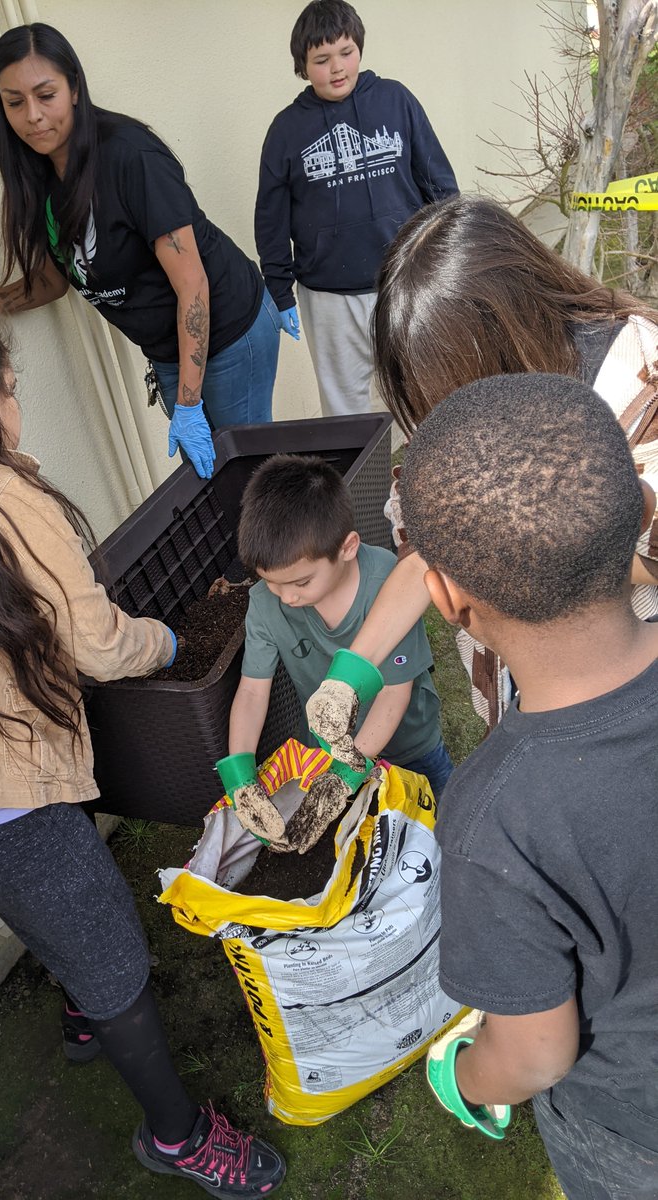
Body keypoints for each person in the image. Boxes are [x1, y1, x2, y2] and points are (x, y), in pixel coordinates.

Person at [0, 305, 286, 1198]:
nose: (17, 404)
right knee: (112, 951)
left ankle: (77, 1003)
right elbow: (101, 645)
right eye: (12, 387)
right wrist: (174, 644)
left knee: (29, 894)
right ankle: (177, 1137)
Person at [399, 372, 658, 1200]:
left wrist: (467, 1080)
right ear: (642, 519)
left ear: (446, 598)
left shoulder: (492, 825)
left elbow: (538, 1054)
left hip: (633, 1138)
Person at [307, 193, 658, 746]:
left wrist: (514, 553)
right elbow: (429, 547)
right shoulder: (468, 397)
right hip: (529, 689)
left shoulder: (638, 378)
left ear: (496, 342)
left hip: (620, 693)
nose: (437, 416)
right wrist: (349, 674)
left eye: (442, 389)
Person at [0, 22, 282, 480]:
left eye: (45, 95)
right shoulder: (38, 175)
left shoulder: (130, 156)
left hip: (231, 329)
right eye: (14, 102)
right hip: (170, 348)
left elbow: (192, 283)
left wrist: (189, 406)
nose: (32, 115)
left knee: (250, 479)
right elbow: (55, 280)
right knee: (210, 478)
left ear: (73, 88)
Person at [227, 453, 451, 845]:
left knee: (444, 830)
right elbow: (250, 691)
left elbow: (395, 694)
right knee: (365, 848)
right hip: (326, 757)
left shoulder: (389, 587)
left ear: (347, 547)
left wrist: (348, 774)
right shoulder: (266, 602)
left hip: (410, 747)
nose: (286, 597)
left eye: (301, 582)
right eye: (272, 583)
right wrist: (241, 775)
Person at [254, 0, 457, 417]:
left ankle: (432, 478)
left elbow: (439, 183)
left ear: (359, 48)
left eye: (346, 52)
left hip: (407, 280)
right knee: (346, 411)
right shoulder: (286, 131)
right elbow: (271, 219)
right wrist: (279, 290)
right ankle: (366, 485)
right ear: (303, 66)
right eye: (322, 59)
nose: (337, 68)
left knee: (429, 389)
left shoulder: (395, 100)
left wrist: (453, 255)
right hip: (329, 296)